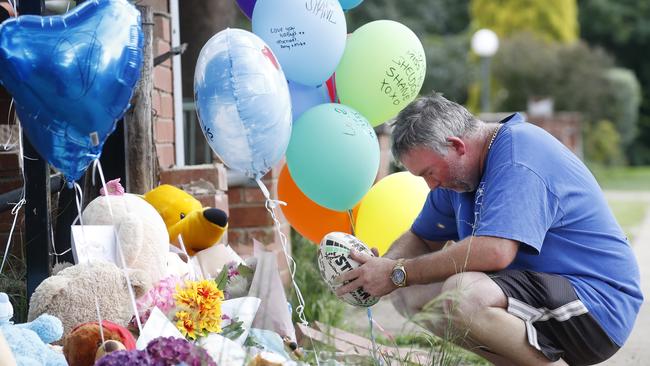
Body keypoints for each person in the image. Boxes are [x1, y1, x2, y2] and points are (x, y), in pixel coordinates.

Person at [336, 93, 643, 366]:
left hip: (598, 306)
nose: (431, 185)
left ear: (456, 146)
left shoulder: (518, 155)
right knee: (410, 294)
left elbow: (495, 251)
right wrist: (383, 267)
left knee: (464, 294)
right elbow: (421, 237)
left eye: (429, 172)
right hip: (550, 297)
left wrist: (396, 273)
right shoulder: (455, 180)